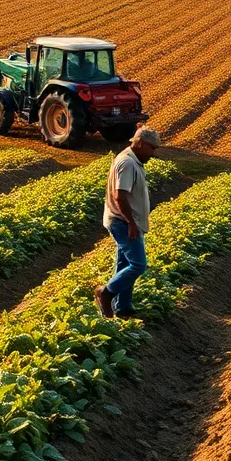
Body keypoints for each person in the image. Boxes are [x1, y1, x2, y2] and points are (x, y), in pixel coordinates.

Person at [95, 127, 161, 319]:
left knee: (124, 264)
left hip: (125, 220)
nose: (154, 152)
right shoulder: (127, 163)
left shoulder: (132, 160)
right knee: (138, 264)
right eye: (152, 148)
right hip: (122, 221)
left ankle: (122, 306)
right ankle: (106, 293)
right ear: (140, 143)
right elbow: (120, 196)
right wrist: (131, 222)